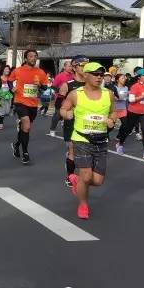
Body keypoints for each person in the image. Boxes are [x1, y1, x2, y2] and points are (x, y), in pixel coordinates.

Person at [59, 62, 117, 219]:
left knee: (97, 181)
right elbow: (63, 108)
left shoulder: (108, 94)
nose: (99, 77)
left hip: (101, 141)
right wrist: (67, 114)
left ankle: (77, 182)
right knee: (86, 176)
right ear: (86, 75)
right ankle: (83, 205)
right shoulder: (75, 94)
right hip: (81, 139)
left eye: (101, 75)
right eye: (96, 74)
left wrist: (112, 120)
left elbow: (113, 112)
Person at [9, 49, 48, 164]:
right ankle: (25, 153)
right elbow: (10, 80)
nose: (34, 58)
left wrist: (40, 85)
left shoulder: (40, 72)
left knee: (25, 128)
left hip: (33, 104)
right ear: (26, 58)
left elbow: (45, 87)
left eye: (35, 56)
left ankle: (16, 145)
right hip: (20, 101)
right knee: (26, 125)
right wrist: (12, 89)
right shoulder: (18, 70)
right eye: (31, 56)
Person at [58, 55, 88, 188]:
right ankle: (70, 176)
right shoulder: (68, 85)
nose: (85, 68)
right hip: (72, 122)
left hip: (87, 123)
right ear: (75, 67)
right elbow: (59, 104)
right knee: (72, 150)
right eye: (82, 65)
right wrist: (66, 113)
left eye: (87, 65)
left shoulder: (92, 85)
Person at [115, 68, 144, 159]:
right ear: (139, 77)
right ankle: (120, 144)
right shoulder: (135, 86)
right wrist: (142, 96)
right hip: (133, 112)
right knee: (128, 129)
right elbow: (131, 100)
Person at [50, 61, 74, 136]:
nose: (70, 68)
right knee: (57, 114)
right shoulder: (60, 76)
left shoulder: (73, 76)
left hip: (70, 99)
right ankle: (52, 129)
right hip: (60, 98)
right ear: (64, 67)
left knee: (70, 114)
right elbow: (53, 86)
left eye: (71, 66)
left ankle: (66, 126)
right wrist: (60, 91)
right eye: (69, 66)